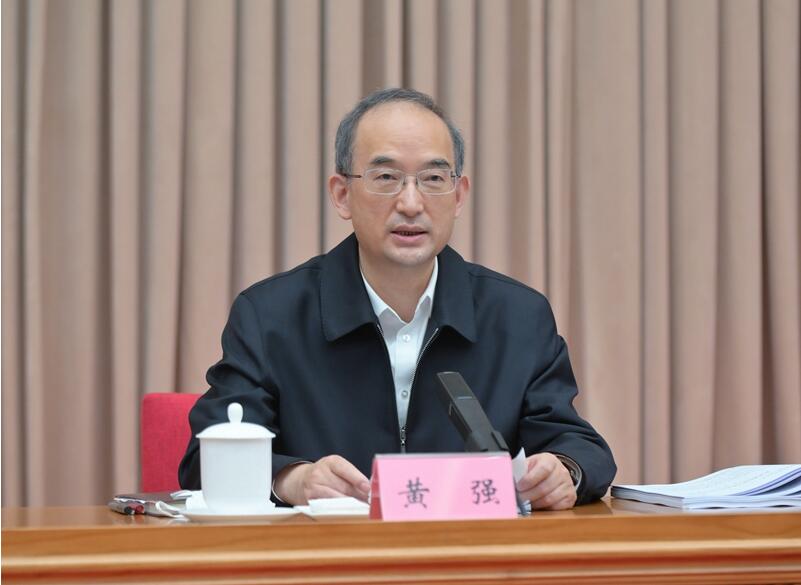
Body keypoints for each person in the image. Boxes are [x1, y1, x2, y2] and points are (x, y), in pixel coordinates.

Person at [178, 88, 616, 510]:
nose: (410, 203)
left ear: (458, 195)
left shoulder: (518, 317)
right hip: (329, 551)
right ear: (342, 195)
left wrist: (564, 471)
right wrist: (294, 480)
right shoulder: (270, 316)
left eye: (433, 179)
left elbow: (579, 446)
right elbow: (204, 461)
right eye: (386, 178)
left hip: (467, 552)